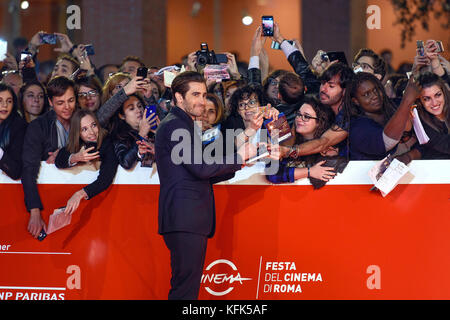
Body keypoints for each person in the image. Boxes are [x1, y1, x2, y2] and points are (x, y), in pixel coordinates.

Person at [155, 71, 258, 300]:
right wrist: (239, 157)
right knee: (184, 292)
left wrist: (239, 162)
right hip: (184, 218)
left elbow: (202, 174)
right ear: (179, 98)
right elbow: (202, 168)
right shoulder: (175, 126)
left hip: (186, 219)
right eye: (195, 94)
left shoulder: (183, 125)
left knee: (186, 290)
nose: (202, 100)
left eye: (203, 94)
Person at [22, 76, 76, 239]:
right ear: (51, 103)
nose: (67, 107)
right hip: (49, 196)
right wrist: (35, 211)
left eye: (71, 100)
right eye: (60, 103)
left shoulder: (83, 120)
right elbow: (28, 169)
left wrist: (64, 153)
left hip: (80, 194)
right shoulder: (38, 127)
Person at [55, 109, 119, 215]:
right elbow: (59, 159)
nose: (92, 132)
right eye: (84, 129)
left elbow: (105, 179)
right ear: (78, 133)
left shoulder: (108, 142)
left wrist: (79, 194)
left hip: (108, 207)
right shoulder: (77, 144)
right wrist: (76, 157)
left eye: (93, 125)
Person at [266, 96, 337, 184]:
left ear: (320, 122)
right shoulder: (286, 135)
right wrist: (271, 116)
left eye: (306, 116)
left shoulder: (328, 148)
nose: (299, 119)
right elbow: (272, 174)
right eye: (298, 114)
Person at [398, 72, 449, 162]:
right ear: (420, 101)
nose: (434, 103)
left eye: (438, 95)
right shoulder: (419, 119)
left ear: (444, 93)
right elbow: (443, 145)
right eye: (427, 98)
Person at [111, 94, 157, 169]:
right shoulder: (119, 136)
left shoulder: (153, 131)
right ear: (122, 116)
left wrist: (159, 134)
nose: (138, 111)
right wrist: (141, 134)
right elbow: (125, 162)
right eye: (131, 108)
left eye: (139, 106)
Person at [0, 84, 27, 180]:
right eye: (0, 100)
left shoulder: (19, 127)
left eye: (9, 101)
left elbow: (16, 171)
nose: (4, 105)